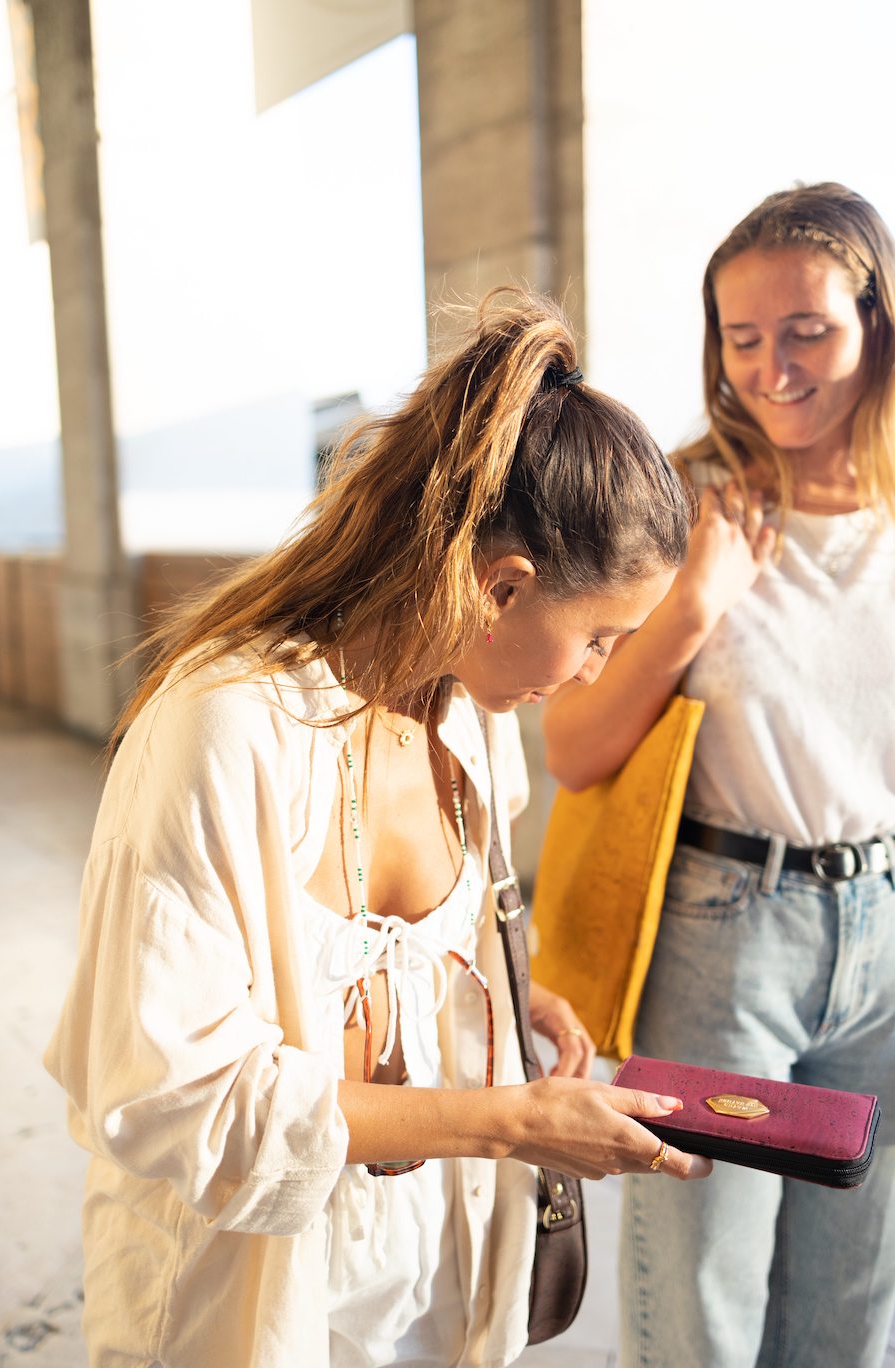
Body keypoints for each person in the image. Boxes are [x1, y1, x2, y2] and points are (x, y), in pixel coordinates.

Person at [44, 289, 710, 1368]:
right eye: (600, 638)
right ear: (502, 587)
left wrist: (501, 988)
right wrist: (516, 1121)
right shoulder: (226, 726)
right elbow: (169, 1094)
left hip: (428, 1276)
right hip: (254, 1300)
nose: (597, 673)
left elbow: (373, 958)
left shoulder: (471, 721)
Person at [543, 182, 895, 1368]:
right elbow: (574, 745)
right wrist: (692, 602)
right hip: (722, 932)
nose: (773, 369)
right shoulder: (688, 503)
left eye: (808, 331)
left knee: (856, 1301)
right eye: (742, 339)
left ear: (878, 324)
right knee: (696, 1299)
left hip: (888, 930)